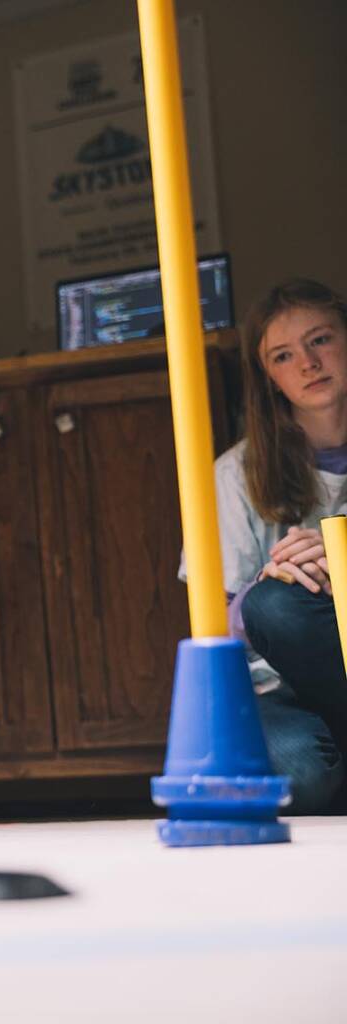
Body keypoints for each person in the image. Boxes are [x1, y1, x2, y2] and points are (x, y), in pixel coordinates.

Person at [204, 277, 347, 812]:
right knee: (275, 605)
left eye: (321, 340)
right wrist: (274, 582)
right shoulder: (234, 474)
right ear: (269, 378)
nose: (308, 363)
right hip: (279, 690)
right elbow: (213, 623)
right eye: (284, 355)